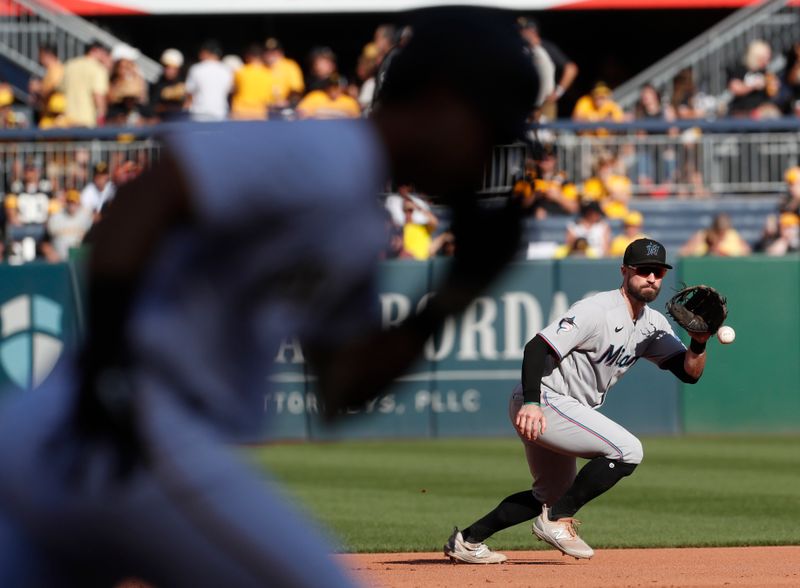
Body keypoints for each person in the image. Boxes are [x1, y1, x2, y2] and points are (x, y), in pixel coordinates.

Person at [0, 8, 539, 587]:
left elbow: (340, 388)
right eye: (490, 131)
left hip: (88, 430)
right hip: (133, 423)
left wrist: (456, 294)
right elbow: (142, 202)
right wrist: (110, 372)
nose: (489, 156)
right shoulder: (327, 151)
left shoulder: (358, 212)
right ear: (441, 99)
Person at [445, 238, 713, 563]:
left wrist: (698, 343)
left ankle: (468, 541)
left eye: (657, 271)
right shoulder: (597, 310)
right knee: (628, 450)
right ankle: (557, 520)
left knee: (550, 495)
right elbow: (537, 348)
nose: (652, 278)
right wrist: (532, 402)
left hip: (563, 406)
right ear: (625, 271)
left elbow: (688, 373)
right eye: (644, 271)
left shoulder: (652, 324)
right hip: (545, 398)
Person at [516, 16, 578, 121]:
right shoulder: (520, 49)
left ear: (532, 30)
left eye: (522, 30)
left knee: (545, 134)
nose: (520, 33)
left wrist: (558, 92)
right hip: (524, 102)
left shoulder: (545, 47)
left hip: (545, 103)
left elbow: (571, 68)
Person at [726, 40, 780, 119]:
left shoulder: (766, 72)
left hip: (762, 111)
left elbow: (773, 93)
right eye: (764, 57)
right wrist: (753, 85)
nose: (768, 59)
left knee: (773, 113)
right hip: (742, 111)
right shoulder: (741, 69)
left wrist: (774, 86)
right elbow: (735, 88)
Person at [61, 41, 110, 127]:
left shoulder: (69, 65)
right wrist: (102, 119)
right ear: (94, 50)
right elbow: (98, 96)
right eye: (103, 52)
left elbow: (60, 89)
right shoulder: (98, 69)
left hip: (67, 121)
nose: (104, 56)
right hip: (87, 123)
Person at [185, 39, 234, 121]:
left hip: (199, 114)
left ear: (205, 52)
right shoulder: (227, 70)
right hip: (220, 113)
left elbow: (189, 92)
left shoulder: (196, 69)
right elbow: (230, 91)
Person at [40, 189, 93, 262]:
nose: (72, 205)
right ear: (66, 203)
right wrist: (50, 253)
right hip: (59, 260)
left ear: (79, 204)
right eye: (69, 202)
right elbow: (44, 241)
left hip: (80, 260)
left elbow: (93, 241)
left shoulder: (86, 218)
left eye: (74, 203)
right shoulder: (55, 217)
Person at [231, 44, 273, 120]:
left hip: (240, 112)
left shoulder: (241, 71)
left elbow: (234, 89)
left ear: (248, 56)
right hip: (260, 113)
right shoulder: (268, 74)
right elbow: (270, 97)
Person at [679, 212, 751, 257]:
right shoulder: (702, 235)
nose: (721, 233)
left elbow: (746, 252)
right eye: (719, 230)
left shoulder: (733, 235)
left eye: (724, 230)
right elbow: (683, 252)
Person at [148, 49, 187, 122]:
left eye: (172, 68)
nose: (168, 71)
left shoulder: (184, 85)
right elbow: (151, 107)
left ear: (177, 69)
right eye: (166, 67)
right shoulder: (158, 84)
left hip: (179, 124)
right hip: (163, 125)